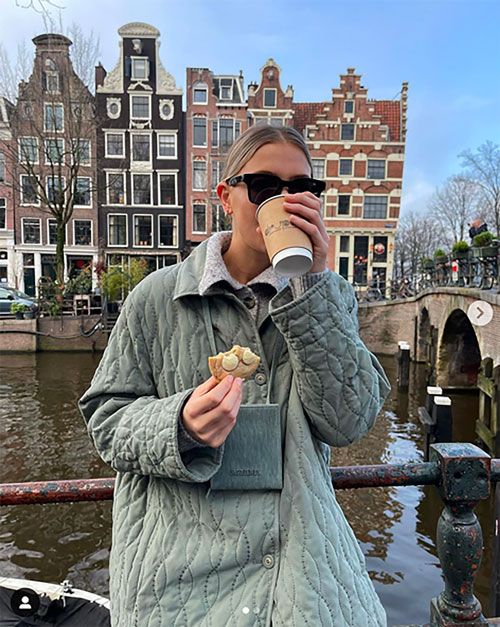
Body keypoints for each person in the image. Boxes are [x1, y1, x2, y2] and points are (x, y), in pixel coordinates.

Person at [79, 124, 391, 626]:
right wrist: (177, 424)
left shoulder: (327, 298)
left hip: (296, 561)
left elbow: (348, 422)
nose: (287, 201)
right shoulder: (156, 298)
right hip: (179, 568)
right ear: (226, 196)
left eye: (303, 189)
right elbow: (105, 418)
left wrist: (313, 287)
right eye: (266, 187)